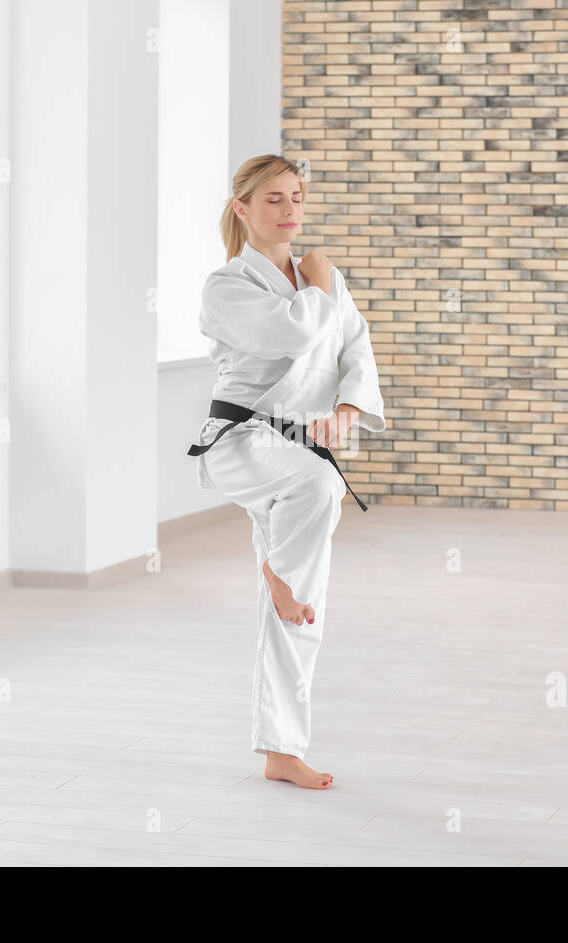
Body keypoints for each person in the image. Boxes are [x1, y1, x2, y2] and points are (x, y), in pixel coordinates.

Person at [186, 154, 386, 790]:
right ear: (242, 209)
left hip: (297, 447)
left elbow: (355, 346)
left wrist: (348, 410)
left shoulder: (323, 279)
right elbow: (296, 334)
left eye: (297, 195)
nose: (291, 208)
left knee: (305, 605)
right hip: (241, 443)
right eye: (274, 198)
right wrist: (322, 283)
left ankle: (281, 747)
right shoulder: (227, 286)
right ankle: (277, 572)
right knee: (319, 484)